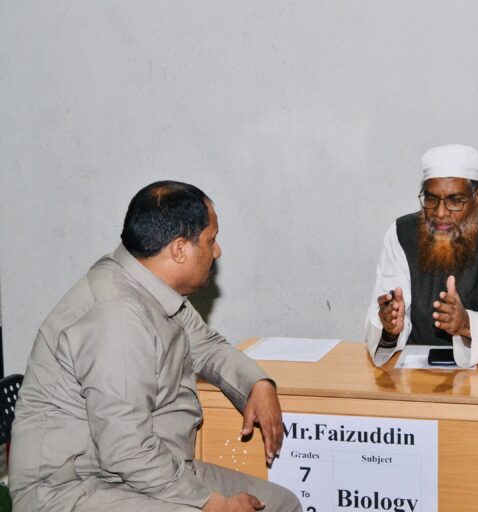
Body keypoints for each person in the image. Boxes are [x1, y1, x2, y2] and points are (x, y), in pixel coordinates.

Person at [10, 181, 301, 512]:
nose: (217, 252)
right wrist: (212, 503)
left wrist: (256, 385)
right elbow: (126, 449)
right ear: (179, 249)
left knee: (281, 504)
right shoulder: (117, 315)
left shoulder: (149, 286)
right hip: (74, 489)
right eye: (211, 240)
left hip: (137, 470)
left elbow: (207, 346)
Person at [364, 144, 478, 368]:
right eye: (431, 199)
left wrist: (468, 324)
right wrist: (390, 328)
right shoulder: (402, 234)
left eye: (455, 200)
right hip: (416, 375)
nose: (440, 212)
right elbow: (387, 312)